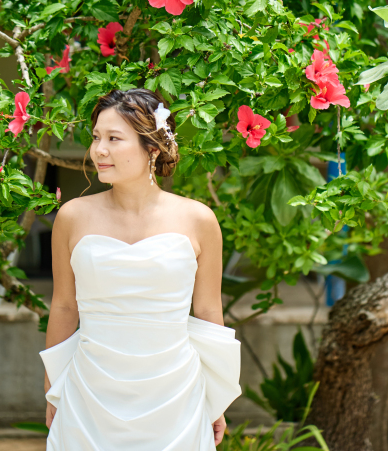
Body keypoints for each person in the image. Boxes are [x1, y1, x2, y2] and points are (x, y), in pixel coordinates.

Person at [40, 88, 242, 450]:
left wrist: (215, 396)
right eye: (96, 138)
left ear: (152, 148)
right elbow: (64, 307)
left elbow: (209, 309)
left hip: (175, 392)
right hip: (90, 392)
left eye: (114, 139)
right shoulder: (72, 216)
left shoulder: (198, 219)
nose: (99, 150)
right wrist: (52, 389)